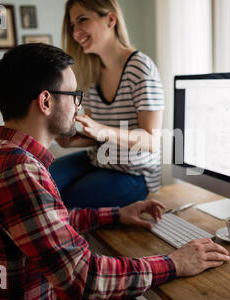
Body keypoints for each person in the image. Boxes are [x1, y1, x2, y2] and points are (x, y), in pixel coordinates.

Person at [0, 43, 230, 300]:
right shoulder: (21, 172)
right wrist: (174, 263)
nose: (78, 107)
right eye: (74, 96)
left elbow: (47, 224)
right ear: (46, 101)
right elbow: (85, 279)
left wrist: (116, 214)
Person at [49, 0, 165, 208]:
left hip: (135, 173)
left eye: (82, 20)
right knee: (41, 185)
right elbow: (97, 138)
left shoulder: (140, 68)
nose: (75, 33)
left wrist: (101, 130)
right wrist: (73, 141)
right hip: (98, 159)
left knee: (64, 203)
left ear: (110, 19)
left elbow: (151, 140)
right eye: (73, 25)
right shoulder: (91, 70)